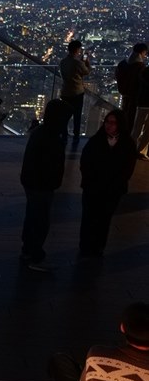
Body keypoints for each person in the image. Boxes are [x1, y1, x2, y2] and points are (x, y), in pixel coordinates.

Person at [20, 99, 72, 272]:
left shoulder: (40, 133)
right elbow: (51, 164)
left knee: (32, 217)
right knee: (40, 220)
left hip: (33, 183)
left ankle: (28, 250)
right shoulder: (51, 138)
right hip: (42, 185)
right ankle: (35, 255)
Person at [79, 108, 136, 257]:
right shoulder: (101, 141)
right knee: (92, 218)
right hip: (97, 188)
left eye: (113, 123)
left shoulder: (125, 144)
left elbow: (127, 170)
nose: (108, 126)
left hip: (109, 190)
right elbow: (85, 163)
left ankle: (95, 246)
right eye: (107, 122)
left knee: (102, 219)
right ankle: (89, 245)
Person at [60, 39, 91, 142]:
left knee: (64, 115)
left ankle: (64, 134)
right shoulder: (78, 63)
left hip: (65, 92)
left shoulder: (63, 62)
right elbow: (86, 72)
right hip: (77, 92)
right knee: (77, 115)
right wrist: (86, 62)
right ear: (77, 50)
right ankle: (76, 135)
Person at [115, 42, 147, 128]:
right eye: (145, 53)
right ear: (142, 52)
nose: (145, 56)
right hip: (135, 100)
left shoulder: (122, 64)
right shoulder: (140, 67)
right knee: (131, 123)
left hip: (124, 98)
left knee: (123, 120)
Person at [131, 65, 149, 160]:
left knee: (137, 128)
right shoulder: (144, 71)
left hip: (142, 103)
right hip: (145, 103)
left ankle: (131, 149)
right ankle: (141, 151)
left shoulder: (143, 71)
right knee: (147, 130)